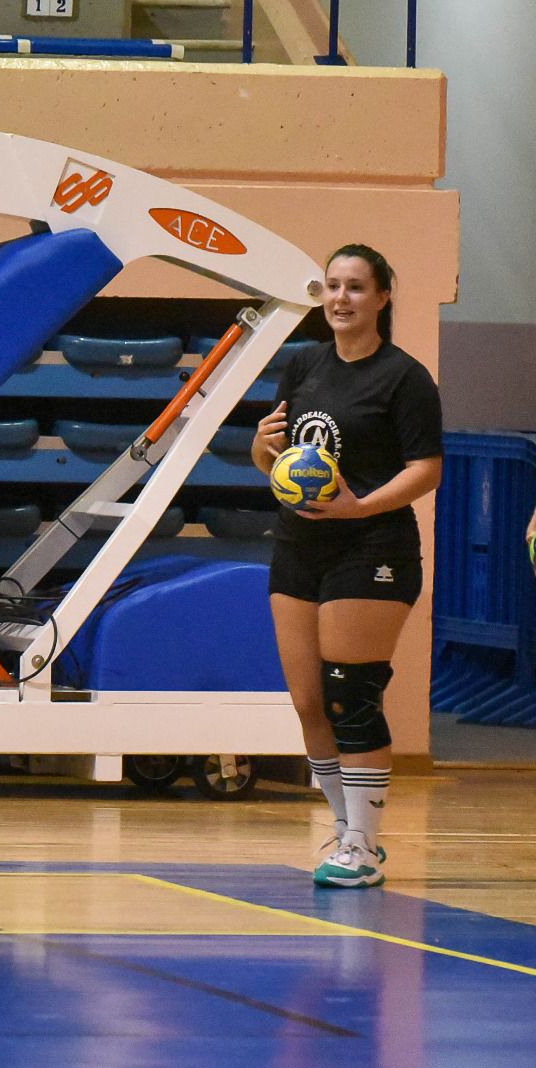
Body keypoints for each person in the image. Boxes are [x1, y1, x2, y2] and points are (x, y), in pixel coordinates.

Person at [252, 243, 442, 889]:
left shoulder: (403, 377)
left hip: (373, 548)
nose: (340, 298)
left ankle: (361, 845)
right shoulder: (303, 365)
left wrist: (360, 509)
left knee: (349, 695)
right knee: (308, 702)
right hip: (299, 546)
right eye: (332, 286)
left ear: (383, 297)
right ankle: (347, 830)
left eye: (356, 287)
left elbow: (426, 468)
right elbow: (282, 466)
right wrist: (260, 450)